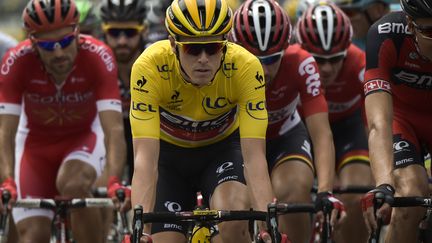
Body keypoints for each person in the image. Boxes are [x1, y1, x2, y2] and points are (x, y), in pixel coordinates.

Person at [129, 0, 275, 241]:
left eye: (213, 47)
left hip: (222, 152)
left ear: (225, 43)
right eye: (193, 50)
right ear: (174, 44)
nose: (204, 59)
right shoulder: (149, 67)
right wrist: (141, 231)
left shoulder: (246, 67)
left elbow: (255, 158)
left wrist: (267, 225)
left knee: (234, 224)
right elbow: (145, 159)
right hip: (168, 160)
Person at [0, 0, 129, 242]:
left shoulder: (99, 56)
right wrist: (7, 181)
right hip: (35, 147)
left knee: (72, 184)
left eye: (66, 41)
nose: (59, 52)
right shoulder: (16, 61)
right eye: (48, 45)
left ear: (78, 32)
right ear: (32, 41)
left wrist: (113, 180)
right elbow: (5, 132)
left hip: (84, 137)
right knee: (32, 236)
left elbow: (113, 129)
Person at [231, 0, 346, 242]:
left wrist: (325, 191)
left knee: (293, 194)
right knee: (235, 210)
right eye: (253, 59)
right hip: (235, 142)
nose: (262, 69)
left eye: (272, 59)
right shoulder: (222, 66)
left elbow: (322, 133)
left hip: (284, 137)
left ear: (286, 49)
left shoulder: (302, 63)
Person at [296, 2, 374, 243]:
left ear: (347, 50)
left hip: (347, 129)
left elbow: (372, 124)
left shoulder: (359, 62)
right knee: (300, 193)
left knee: (354, 192)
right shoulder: (291, 64)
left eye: (335, 58)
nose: (327, 68)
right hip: (306, 131)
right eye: (318, 60)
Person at [360, 0, 432, 242]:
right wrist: (384, 184)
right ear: (411, 24)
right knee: (410, 193)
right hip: (401, 119)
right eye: (431, 32)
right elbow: (379, 122)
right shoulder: (385, 35)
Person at [100, 0, 147, 183]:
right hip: (108, 136)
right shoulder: (96, 63)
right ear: (104, 32)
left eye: (130, 32)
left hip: (148, 135)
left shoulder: (156, 60)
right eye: (114, 32)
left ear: (144, 30)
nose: (122, 41)